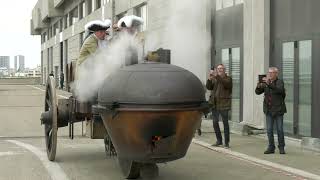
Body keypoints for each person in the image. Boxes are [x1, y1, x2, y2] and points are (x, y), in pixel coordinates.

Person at [255, 67, 286, 154]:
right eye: (269, 73)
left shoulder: (280, 82)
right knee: (269, 130)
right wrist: (258, 86)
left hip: (279, 109)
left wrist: (269, 84)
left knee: (280, 129)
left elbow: (279, 90)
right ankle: (271, 147)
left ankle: (281, 147)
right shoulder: (266, 83)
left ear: (276, 74)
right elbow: (257, 92)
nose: (270, 74)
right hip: (268, 110)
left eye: (272, 73)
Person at [206, 64, 232, 148]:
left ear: (224, 69)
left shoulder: (228, 78)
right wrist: (210, 79)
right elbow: (209, 87)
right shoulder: (215, 79)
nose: (220, 70)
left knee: (225, 124)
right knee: (215, 123)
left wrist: (216, 76)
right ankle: (219, 141)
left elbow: (226, 84)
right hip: (215, 104)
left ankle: (226, 142)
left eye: (221, 68)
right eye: (218, 68)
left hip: (224, 104)